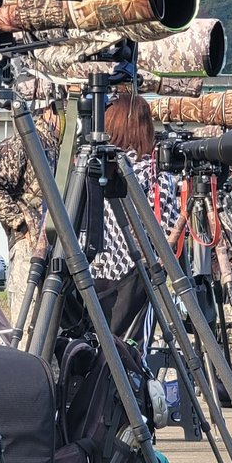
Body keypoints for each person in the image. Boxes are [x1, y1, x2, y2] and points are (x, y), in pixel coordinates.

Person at [88, 91, 178, 339]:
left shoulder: (89, 171)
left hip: (90, 277)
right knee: (131, 358)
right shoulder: (154, 174)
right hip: (135, 280)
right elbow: (168, 230)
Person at [0, 102, 63, 319]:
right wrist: (21, 224)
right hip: (28, 246)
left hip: (56, 245)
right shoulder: (24, 141)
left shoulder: (61, 147)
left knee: (52, 322)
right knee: (27, 318)